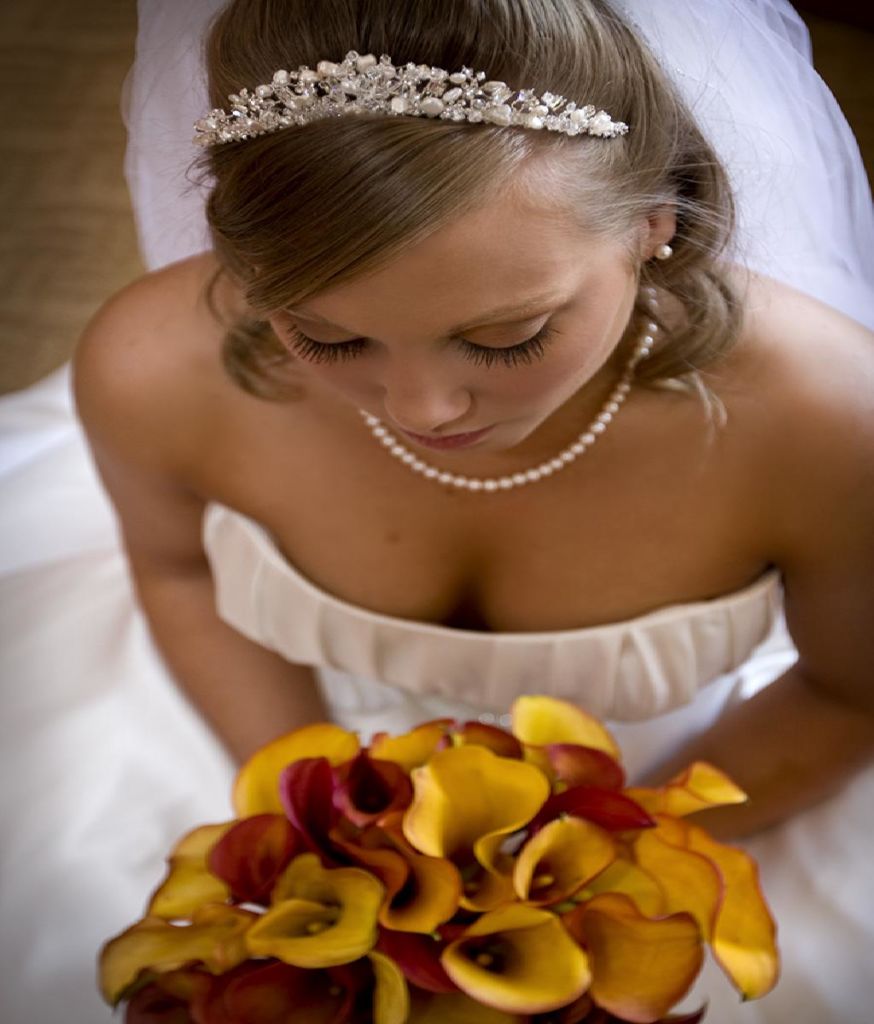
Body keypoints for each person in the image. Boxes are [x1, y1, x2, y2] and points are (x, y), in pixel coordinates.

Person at [0, 1, 872, 1022]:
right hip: (270, 733)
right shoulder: (155, 370)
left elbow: (852, 691)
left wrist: (601, 862)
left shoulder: (823, 420)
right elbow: (176, 571)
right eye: (327, 338)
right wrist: (317, 828)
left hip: (710, 788)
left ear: (655, 222)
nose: (424, 410)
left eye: (507, 337)